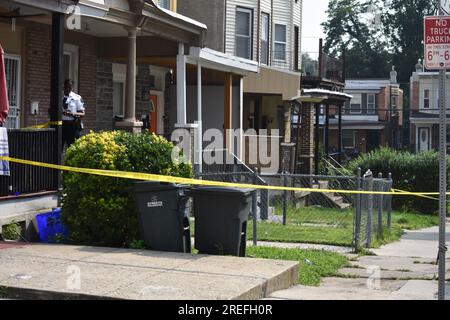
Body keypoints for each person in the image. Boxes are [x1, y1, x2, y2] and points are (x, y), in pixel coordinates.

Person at [62, 79, 85, 148]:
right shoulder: (59, 96)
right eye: (66, 87)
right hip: (61, 125)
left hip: (72, 125)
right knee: (58, 148)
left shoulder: (77, 97)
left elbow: (83, 113)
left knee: (73, 148)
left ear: (72, 88)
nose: (68, 89)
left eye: (70, 87)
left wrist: (71, 113)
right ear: (63, 87)